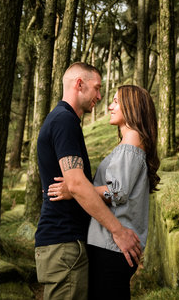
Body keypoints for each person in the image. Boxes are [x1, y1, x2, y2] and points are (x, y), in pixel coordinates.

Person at [34, 62, 143, 300]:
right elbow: (76, 184)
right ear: (79, 84)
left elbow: (73, 184)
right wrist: (118, 231)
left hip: (65, 242)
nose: (100, 96)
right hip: (63, 242)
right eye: (97, 88)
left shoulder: (61, 120)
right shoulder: (64, 120)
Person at [48, 84, 160, 300]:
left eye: (116, 101)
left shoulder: (132, 141)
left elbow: (117, 193)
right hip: (111, 246)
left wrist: (75, 190)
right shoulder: (130, 143)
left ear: (132, 107)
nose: (109, 106)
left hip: (113, 247)